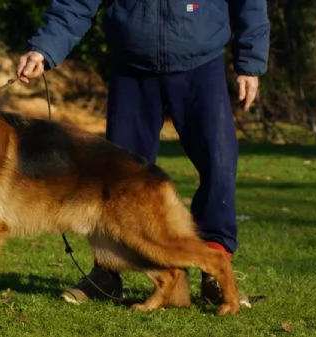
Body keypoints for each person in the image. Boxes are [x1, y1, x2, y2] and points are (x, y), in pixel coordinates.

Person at [16, 0, 269, 307]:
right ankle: (107, 273)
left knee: (219, 166)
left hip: (201, 60)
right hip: (132, 64)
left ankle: (214, 269)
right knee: (116, 180)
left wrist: (250, 62)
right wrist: (45, 47)